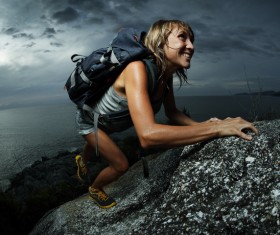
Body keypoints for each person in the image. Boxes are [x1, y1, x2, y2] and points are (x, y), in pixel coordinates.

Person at [74, 19, 258, 209]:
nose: (191, 46)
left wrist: (202, 124)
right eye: (182, 38)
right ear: (161, 42)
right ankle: (95, 188)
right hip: (90, 122)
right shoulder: (136, 69)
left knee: (97, 142)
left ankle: (82, 159)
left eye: (192, 40)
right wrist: (216, 128)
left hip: (108, 123)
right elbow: (147, 136)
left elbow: (173, 113)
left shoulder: (165, 78)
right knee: (120, 165)